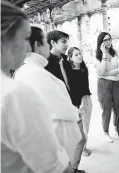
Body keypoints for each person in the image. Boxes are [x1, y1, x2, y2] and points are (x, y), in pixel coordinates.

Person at [1, 1, 69, 173]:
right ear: (5, 38)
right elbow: (52, 166)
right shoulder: (14, 95)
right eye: (25, 38)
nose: (27, 46)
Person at [13, 26, 83, 172]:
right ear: (37, 45)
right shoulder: (34, 72)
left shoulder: (28, 69)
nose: (49, 46)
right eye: (46, 43)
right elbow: (58, 107)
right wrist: (76, 113)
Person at [46, 30, 86, 173]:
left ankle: (73, 168)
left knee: (79, 138)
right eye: (63, 41)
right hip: (60, 111)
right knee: (65, 142)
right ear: (52, 43)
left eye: (66, 41)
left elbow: (73, 83)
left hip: (73, 105)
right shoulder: (46, 64)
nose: (66, 44)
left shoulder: (66, 61)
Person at [95, 32, 119, 143]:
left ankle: (116, 127)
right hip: (104, 84)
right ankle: (106, 131)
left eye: (109, 39)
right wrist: (104, 54)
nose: (108, 42)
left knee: (118, 106)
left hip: (116, 82)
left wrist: (106, 73)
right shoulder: (98, 55)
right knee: (106, 108)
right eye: (105, 40)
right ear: (101, 42)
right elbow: (101, 71)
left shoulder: (116, 52)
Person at [67, 47, 92, 156]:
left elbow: (85, 87)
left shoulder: (84, 69)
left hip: (86, 99)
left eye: (80, 53)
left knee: (87, 125)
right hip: (77, 102)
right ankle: (83, 149)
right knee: (82, 127)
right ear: (70, 58)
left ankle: (84, 146)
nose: (79, 56)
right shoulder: (69, 72)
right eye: (76, 55)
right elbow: (72, 90)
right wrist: (78, 103)